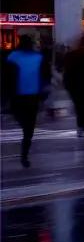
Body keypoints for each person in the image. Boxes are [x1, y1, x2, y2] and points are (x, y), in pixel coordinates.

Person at [6, 34, 47, 167]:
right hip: (33, 97)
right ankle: (24, 155)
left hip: (17, 97)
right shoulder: (39, 58)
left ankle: (24, 151)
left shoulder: (12, 57)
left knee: (21, 120)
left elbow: (5, 78)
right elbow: (45, 77)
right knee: (29, 130)